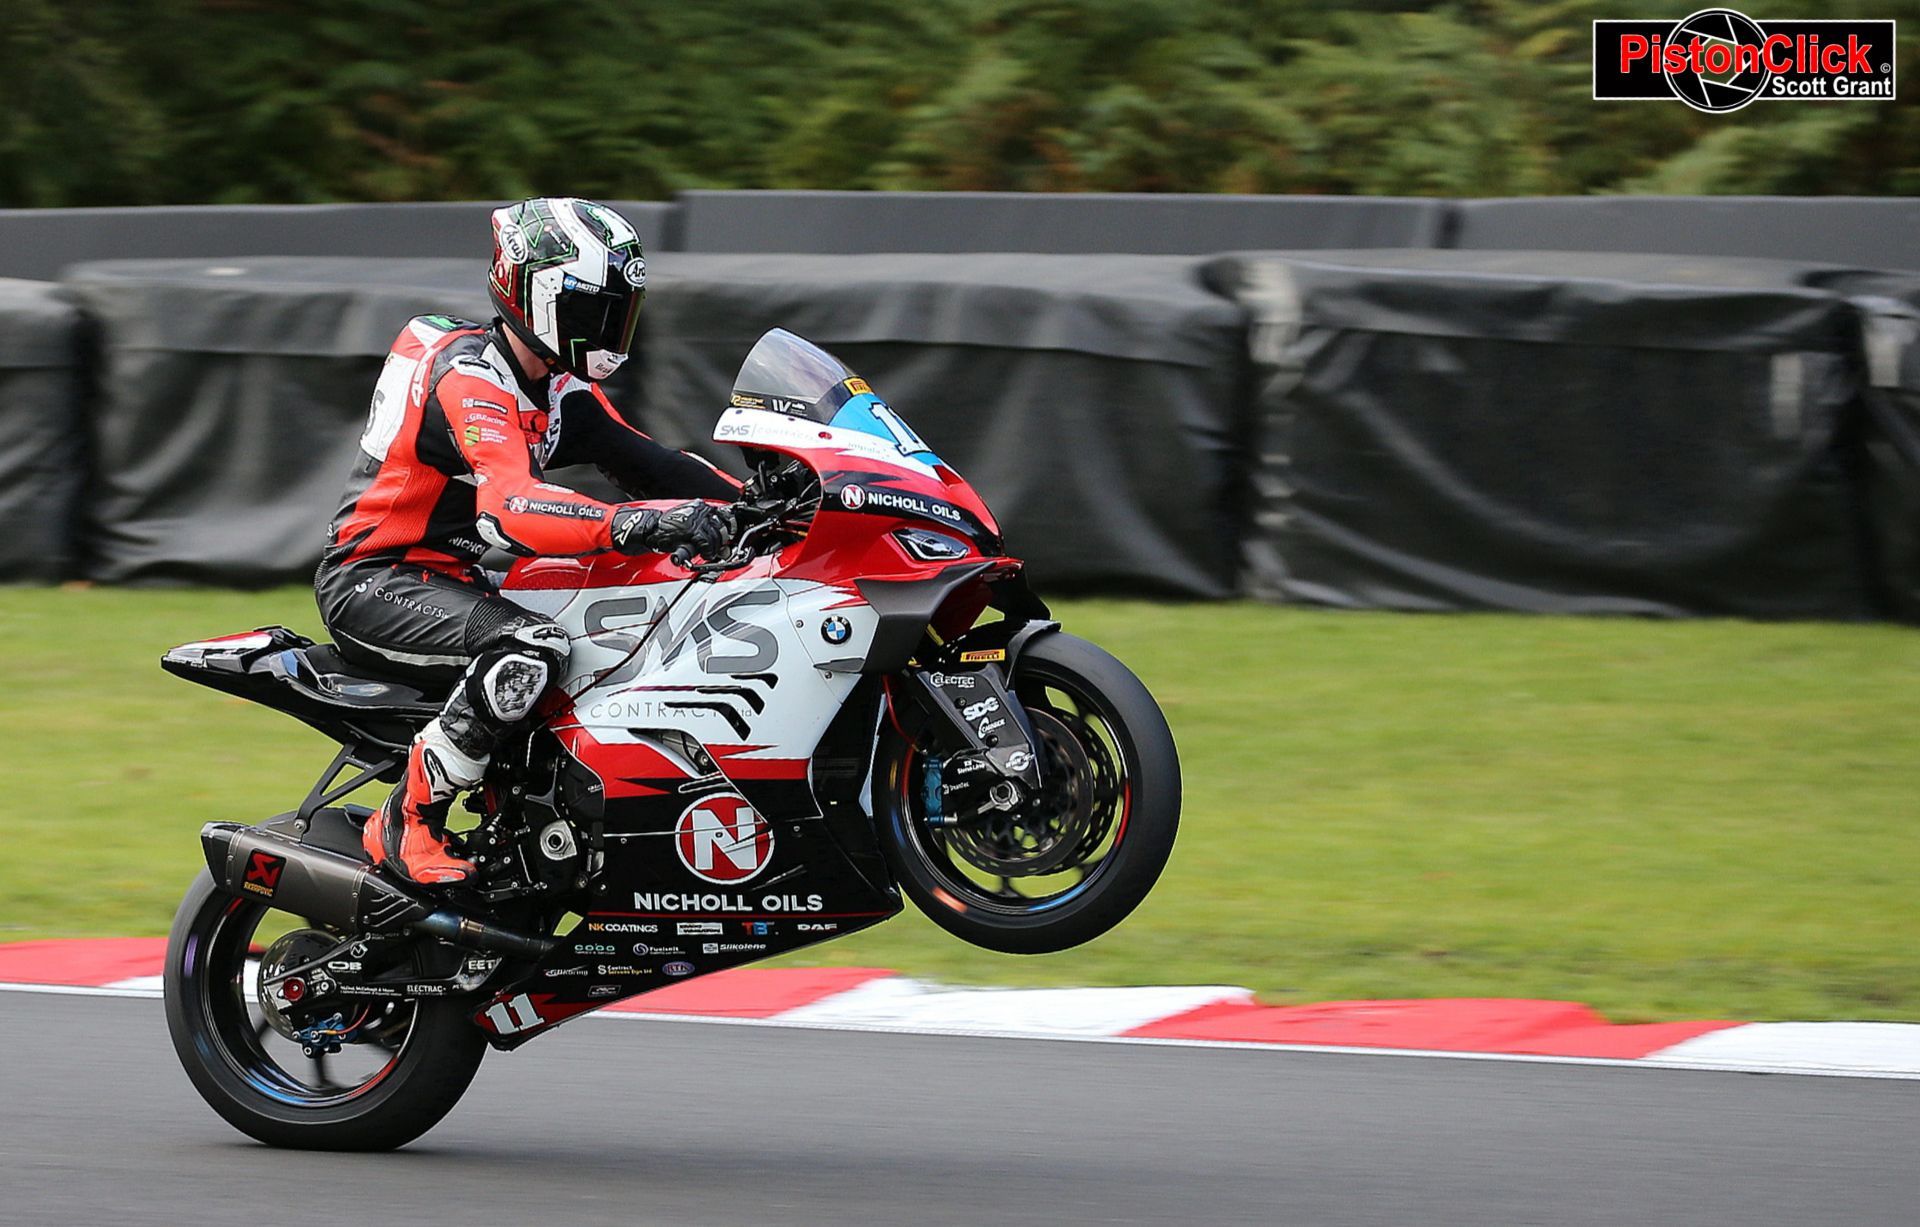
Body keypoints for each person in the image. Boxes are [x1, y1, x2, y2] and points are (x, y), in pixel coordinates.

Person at [315, 196, 739, 887]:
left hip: (453, 578)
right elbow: (509, 509)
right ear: (540, 299)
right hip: (376, 577)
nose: (610, 326)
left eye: (619, 309)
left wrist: (762, 506)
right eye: (594, 308)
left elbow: (649, 461)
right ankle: (405, 819)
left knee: (611, 622)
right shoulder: (470, 378)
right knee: (532, 645)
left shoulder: (553, 384)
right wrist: (633, 523)